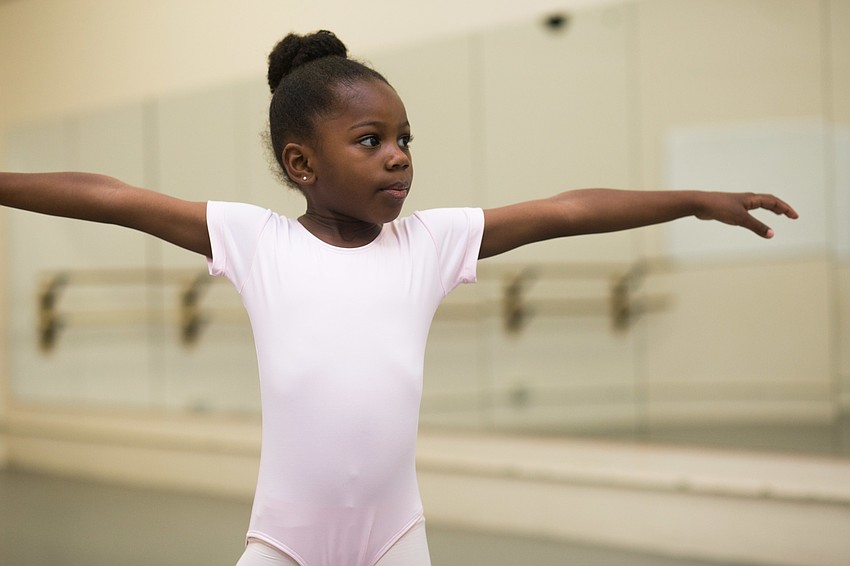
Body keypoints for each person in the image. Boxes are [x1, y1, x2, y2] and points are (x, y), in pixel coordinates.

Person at [0, 30, 797, 566]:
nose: (398, 159)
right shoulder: (254, 241)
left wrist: (691, 198)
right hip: (284, 542)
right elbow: (108, 195)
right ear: (302, 164)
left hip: (395, 541)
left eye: (406, 138)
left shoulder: (431, 243)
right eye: (371, 140)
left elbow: (567, 209)